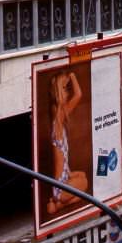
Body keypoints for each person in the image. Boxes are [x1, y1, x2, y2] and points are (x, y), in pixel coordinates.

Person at [47, 70, 88, 217]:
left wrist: (72, 174)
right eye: (64, 89)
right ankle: (58, 204)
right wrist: (72, 76)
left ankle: (57, 202)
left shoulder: (60, 122)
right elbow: (78, 95)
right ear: (58, 92)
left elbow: (63, 161)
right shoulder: (58, 117)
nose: (67, 92)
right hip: (60, 186)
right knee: (84, 184)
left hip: (64, 179)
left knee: (83, 176)